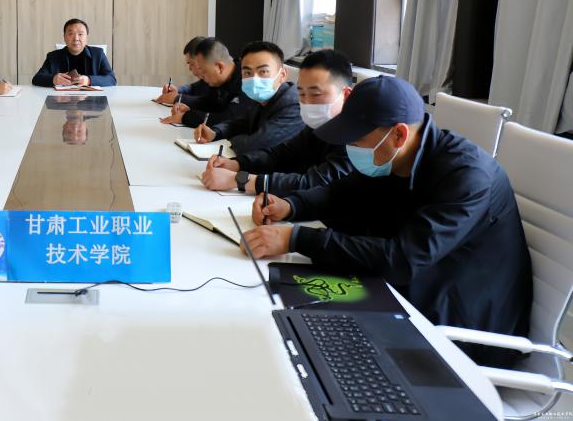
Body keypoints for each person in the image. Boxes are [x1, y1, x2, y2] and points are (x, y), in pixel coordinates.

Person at [242, 75, 532, 366]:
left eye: (357, 140)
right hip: (407, 292)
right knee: (280, 317)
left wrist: (296, 239)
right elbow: (341, 192)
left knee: (306, 346)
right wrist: (291, 206)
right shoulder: (398, 156)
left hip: (460, 326)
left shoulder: (467, 176)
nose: (351, 148)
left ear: (399, 135)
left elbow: (402, 259)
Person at [201, 49, 354, 194]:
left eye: (316, 94)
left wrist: (239, 180)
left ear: (346, 95)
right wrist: (236, 164)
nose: (306, 102)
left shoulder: (356, 139)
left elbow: (315, 183)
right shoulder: (318, 126)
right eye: (301, 94)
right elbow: (281, 154)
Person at [162, 37, 247, 127]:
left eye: (204, 72)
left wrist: (185, 117)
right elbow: (210, 102)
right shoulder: (220, 79)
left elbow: (229, 117)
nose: (202, 77)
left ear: (220, 67)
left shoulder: (247, 79)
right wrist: (190, 108)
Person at [31, 18, 117, 87]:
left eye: (80, 34)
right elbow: (36, 79)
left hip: (91, 100)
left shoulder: (98, 54)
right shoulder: (53, 56)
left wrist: (89, 80)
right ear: (64, 37)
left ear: (86, 38)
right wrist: (53, 79)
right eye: (71, 34)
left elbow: (111, 79)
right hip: (61, 99)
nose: (76, 38)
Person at [154, 36, 208, 105]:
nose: (190, 68)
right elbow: (193, 88)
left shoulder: (216, 84)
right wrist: (177, 90)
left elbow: (208, 103)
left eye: (191, 63)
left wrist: (178, 98)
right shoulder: (205, 80)